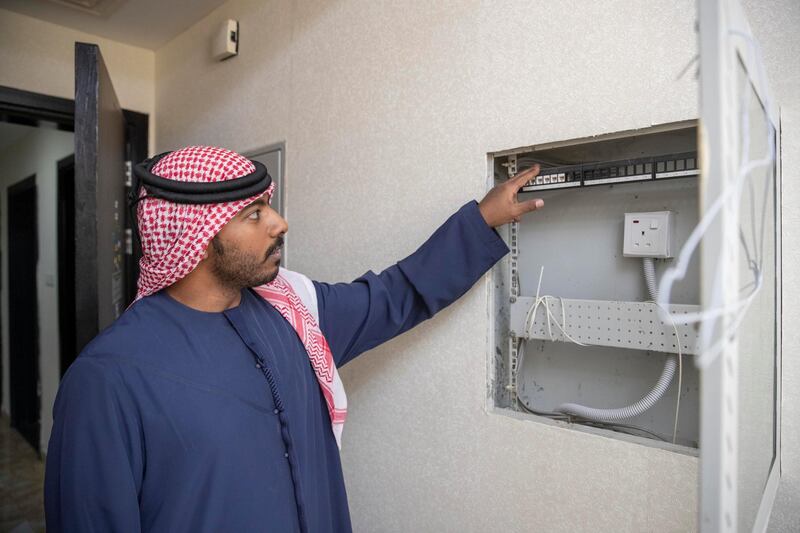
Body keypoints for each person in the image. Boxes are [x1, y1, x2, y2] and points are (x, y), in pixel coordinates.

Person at [44, 146, 543, 532]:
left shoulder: (294, 311)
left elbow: (395, 296)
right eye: (254, 214)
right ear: (196, 239)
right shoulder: (107, 380)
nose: (280, 223)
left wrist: (482, 220)